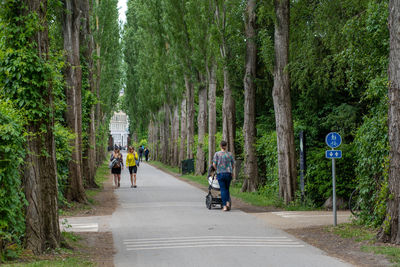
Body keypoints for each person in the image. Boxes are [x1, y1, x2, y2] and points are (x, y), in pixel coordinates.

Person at [212, 140, 235, 211]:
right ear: (226, 146)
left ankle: (224, 205)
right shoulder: (230, 154)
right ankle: (228, 202)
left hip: (220, 173)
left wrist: (217, 170)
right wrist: (230, 170)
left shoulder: (217, 154)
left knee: (222, 189)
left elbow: (214, 164)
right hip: (228, 173)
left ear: (220, 146)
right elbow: (233, 164)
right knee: (227, 189)